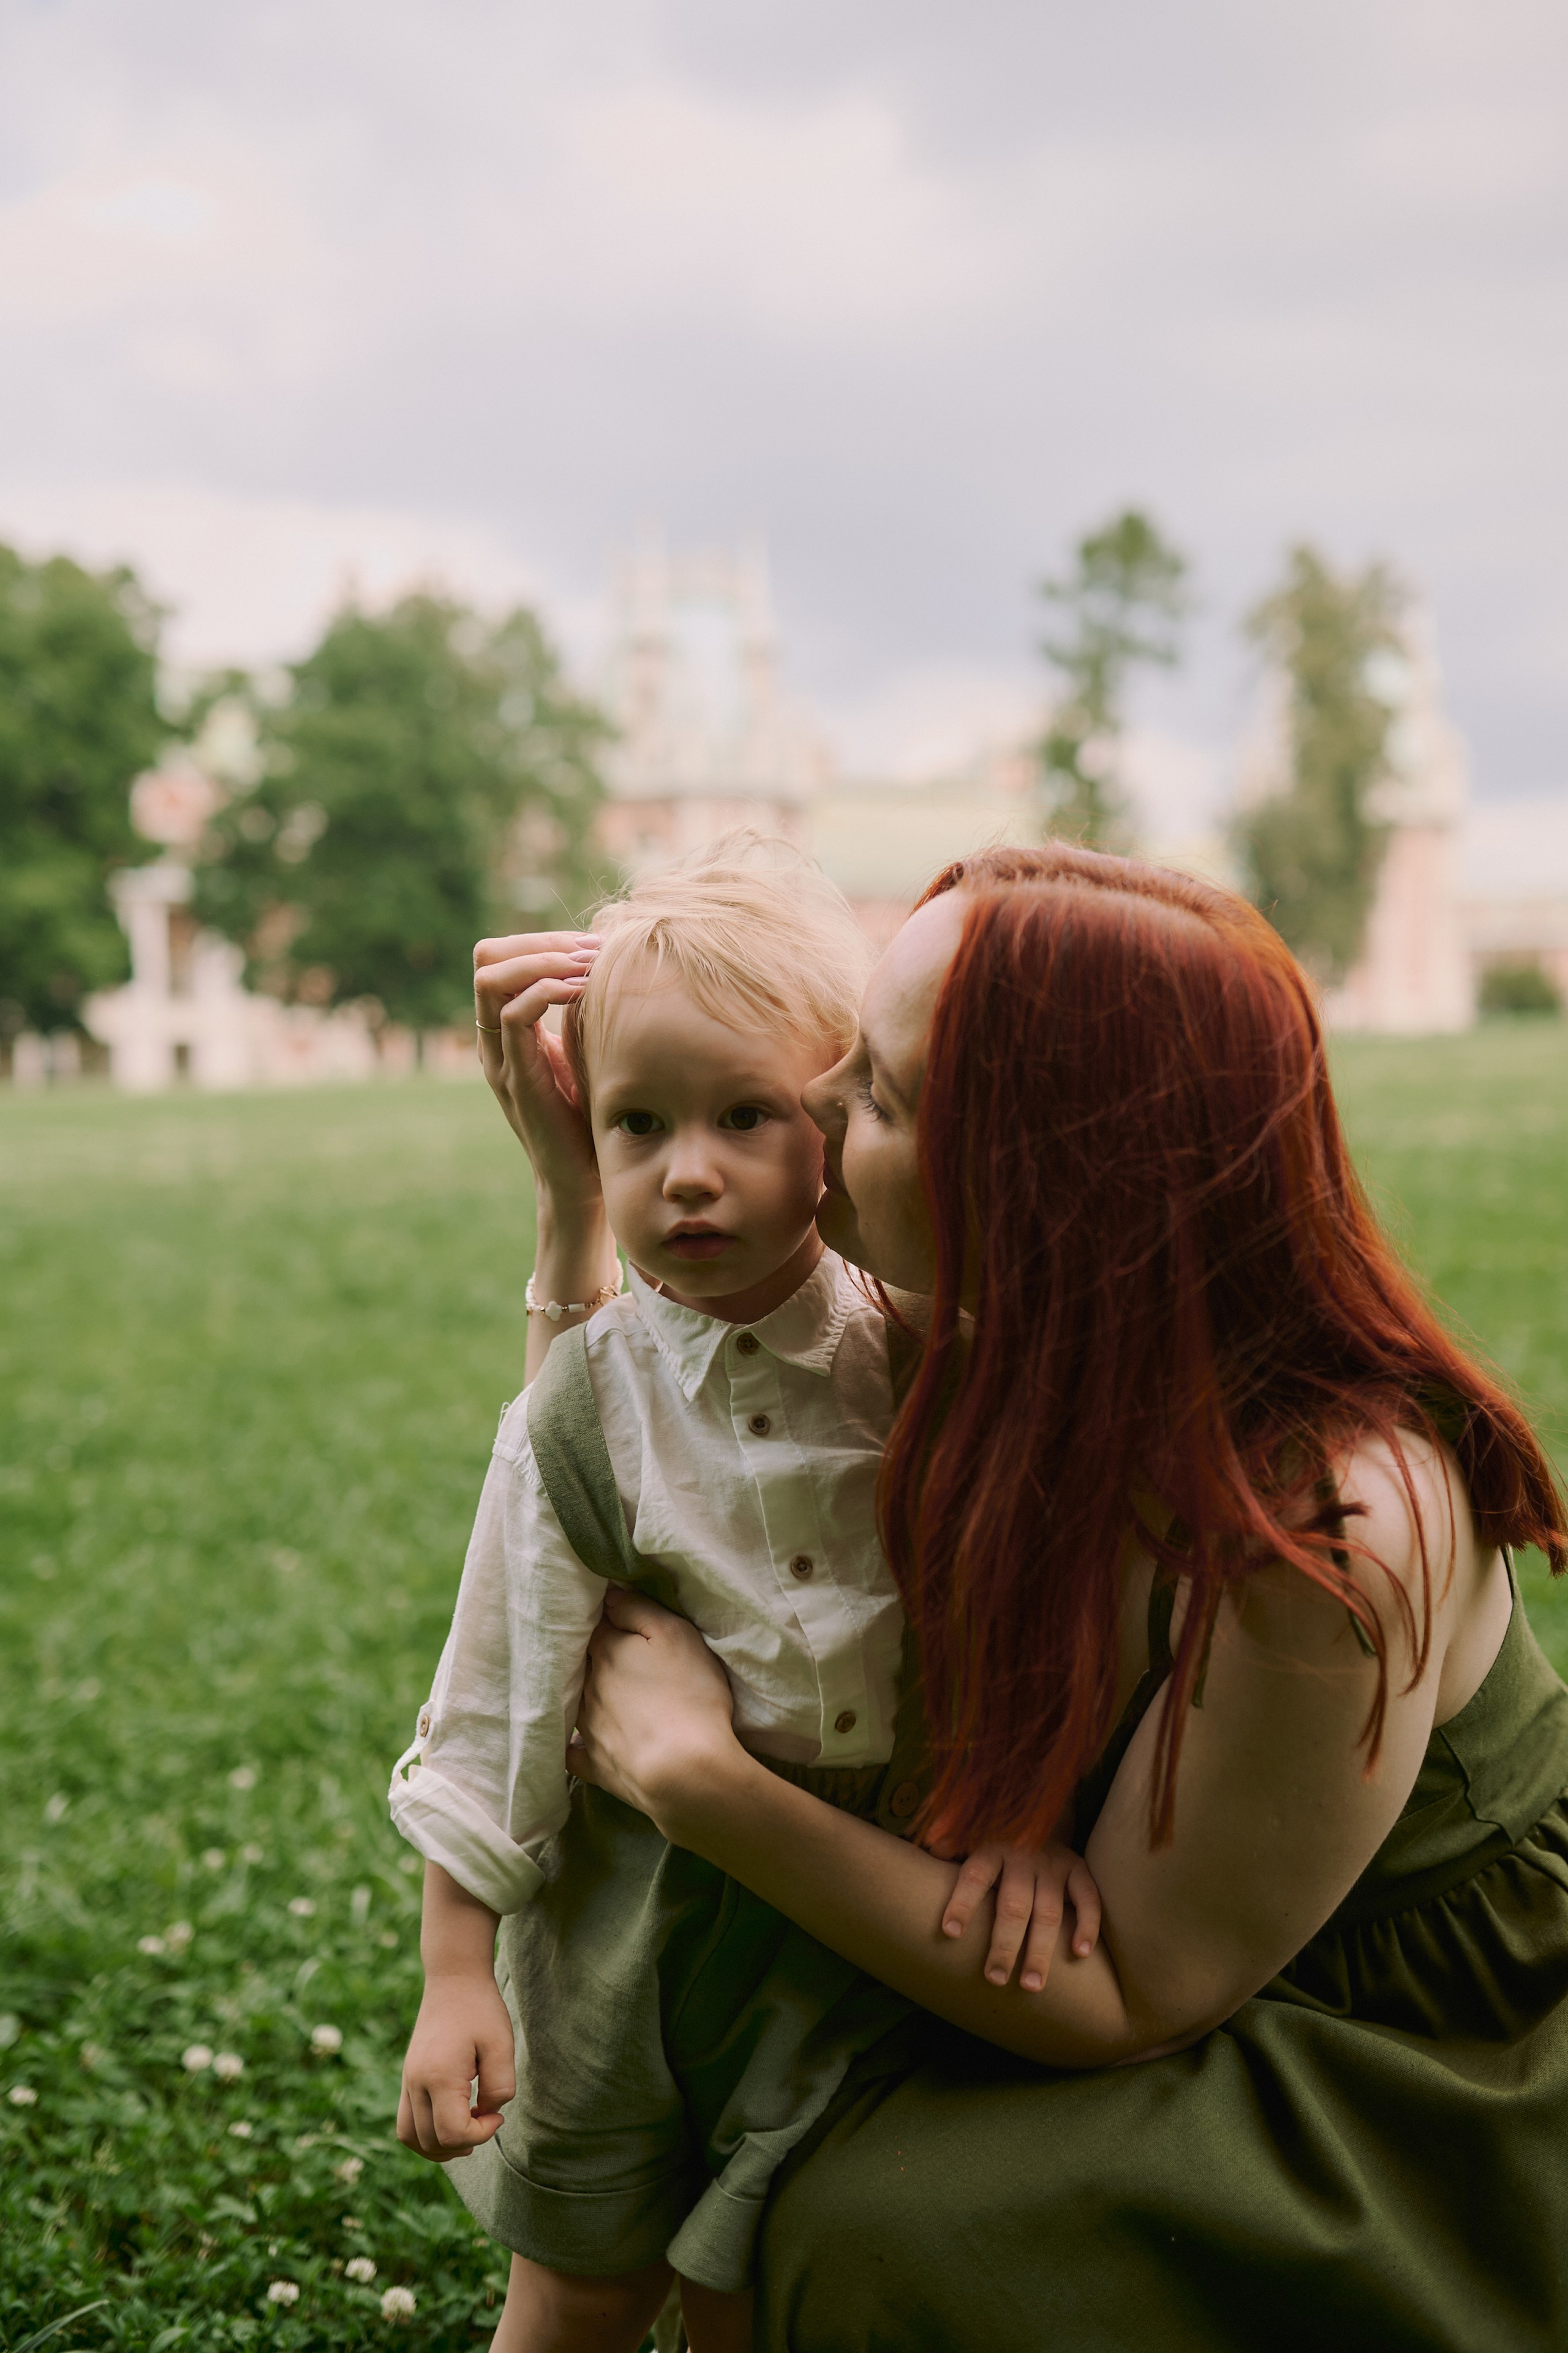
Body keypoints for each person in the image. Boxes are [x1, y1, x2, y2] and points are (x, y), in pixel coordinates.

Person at [483, 841, 1568, 2352]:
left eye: (874, 1092)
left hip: (1415, 2039)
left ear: (1039, 1176)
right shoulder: (972, 1332)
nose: (808, 1103)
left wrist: (709, 1788)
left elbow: (1134, 1980)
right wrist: (566, 1213)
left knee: (874, 2232)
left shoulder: (1331, 1519)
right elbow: (619, 1482)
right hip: (1105, 1942)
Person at [391, 840, 1098, 2353]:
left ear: (837, 1130)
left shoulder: (922, 1357)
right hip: (623, 1934)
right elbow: (497, 1697)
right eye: (638, 1124)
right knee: (574, 2295)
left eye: (743, 1115)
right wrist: (458, 1971)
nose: (686, 1168)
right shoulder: (580, 1408)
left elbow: (1014, 1613)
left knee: (756, 2289)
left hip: (856, 1917)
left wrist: (1026, 1814)